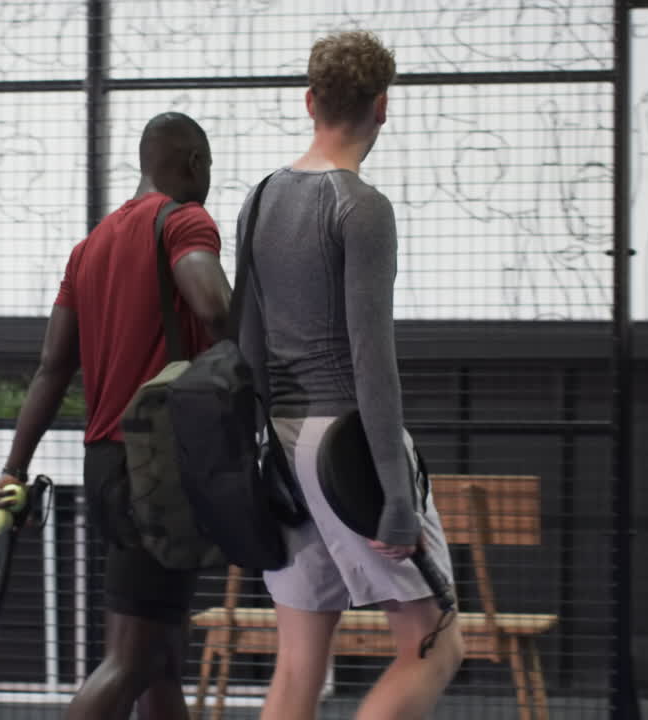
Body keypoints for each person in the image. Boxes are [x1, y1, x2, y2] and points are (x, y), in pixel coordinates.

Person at [236, 31, 464, 720]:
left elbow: (245, 345)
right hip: (347, 452)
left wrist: (262, 458)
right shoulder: (361, 207)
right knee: (435, 643)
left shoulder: (262, 197)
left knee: (300, 661)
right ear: (382, 109)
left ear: (310, 102)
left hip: (278, 445)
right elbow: (373, 358)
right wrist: (397, 496)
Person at [0, 112, 231, 720]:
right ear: (194, 163)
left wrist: (13, 470)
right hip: (162, 469)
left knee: (160, 661)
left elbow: (51, 368)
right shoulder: (184, 220)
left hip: (106, 466)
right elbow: (214, 304)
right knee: (130, 660)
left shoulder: (89, 248)